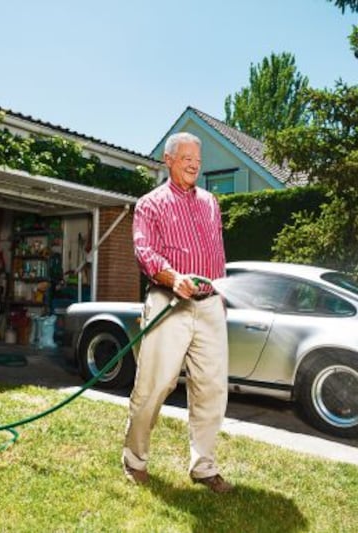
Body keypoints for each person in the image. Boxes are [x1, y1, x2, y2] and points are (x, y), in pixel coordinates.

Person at [122, 132, 232, 493]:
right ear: (168, 160)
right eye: (186, 157)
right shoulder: (150, 204)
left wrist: (222, 297)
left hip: (210, 304)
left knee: (212, 389)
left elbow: (218, 254)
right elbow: (144, 252)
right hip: (169, 303)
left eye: (198, 159)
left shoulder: (211, 203)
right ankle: (134, 459)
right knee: (154, 386)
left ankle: (204, 467)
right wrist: (173, 277)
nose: (194, 164)